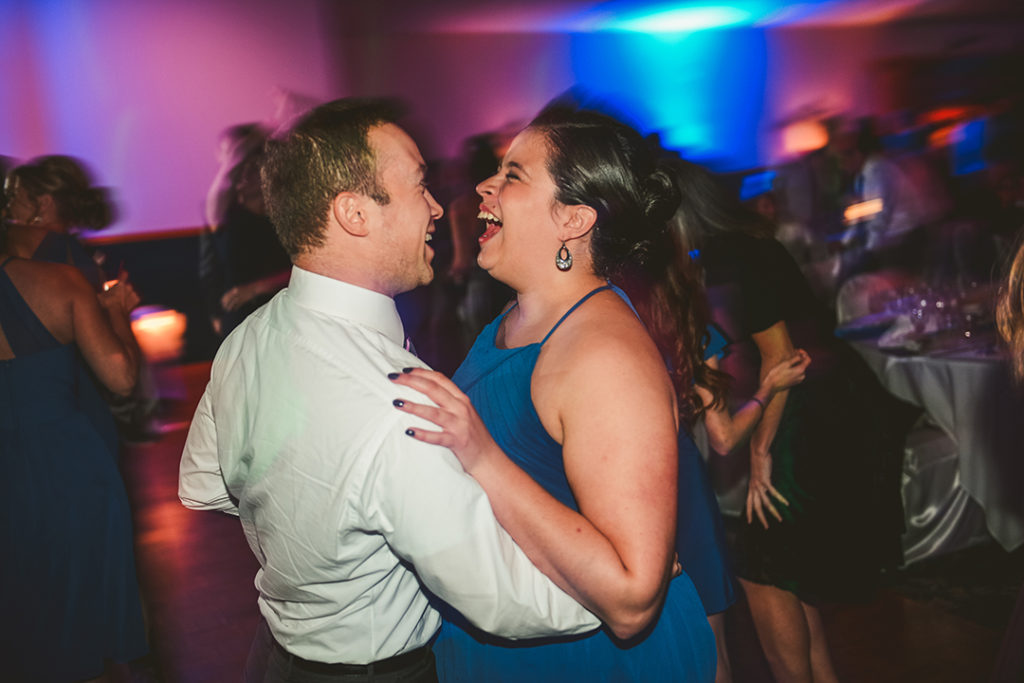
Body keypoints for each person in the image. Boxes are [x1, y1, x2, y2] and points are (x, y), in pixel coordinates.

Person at [178, 98, 600, 683]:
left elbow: (205, 487)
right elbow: (506, 599)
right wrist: (620, 597)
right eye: (420, 186)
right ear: (355, 213)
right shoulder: (399, 405)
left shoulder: (248, 336)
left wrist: (310, 542)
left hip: (272, 659)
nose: (436, 207)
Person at [390, 107, 717, 682]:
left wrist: (482, 456)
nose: (483, 187)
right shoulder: (517, 317)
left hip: (593, 663)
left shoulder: (604, 356)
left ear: (572, 219)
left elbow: (631, 596)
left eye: (513, 175)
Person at [670, 157, 913, 683]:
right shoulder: (746, 245)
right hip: (832, 399)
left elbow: (785, 361)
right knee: (790, 574)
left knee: (765, 573)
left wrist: (761, 454)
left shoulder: (733, 255)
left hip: (810, 411)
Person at [0, 222, 147, 681]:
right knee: (82, 614)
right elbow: (121, 378)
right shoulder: (60, 281)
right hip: (69, 467)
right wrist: (118, 310)